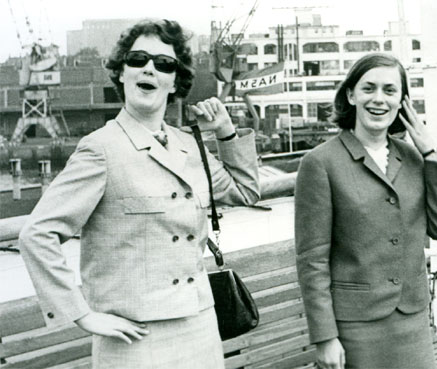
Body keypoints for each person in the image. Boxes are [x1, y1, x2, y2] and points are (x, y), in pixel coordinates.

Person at [18, 19, 260, 369]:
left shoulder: (188, 145)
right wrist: (83, 315)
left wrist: (225, 133)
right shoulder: (101, 149)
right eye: (138, 59)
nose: (150, 68)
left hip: (201, 328)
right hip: (135, 340)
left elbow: (245, 191)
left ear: (175, 80)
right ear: (121, 72)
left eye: (164, 64)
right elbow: (37, 234)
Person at [294, 53, 437, 369]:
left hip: (412, 321)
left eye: (389, 90)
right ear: (350, 95)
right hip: (355, 327)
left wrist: (433, 156)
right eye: (368, 88)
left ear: (402, 101)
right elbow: (312, 259)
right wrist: (325, 337)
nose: (378, 99)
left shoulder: (414, 159)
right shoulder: (320, 163)